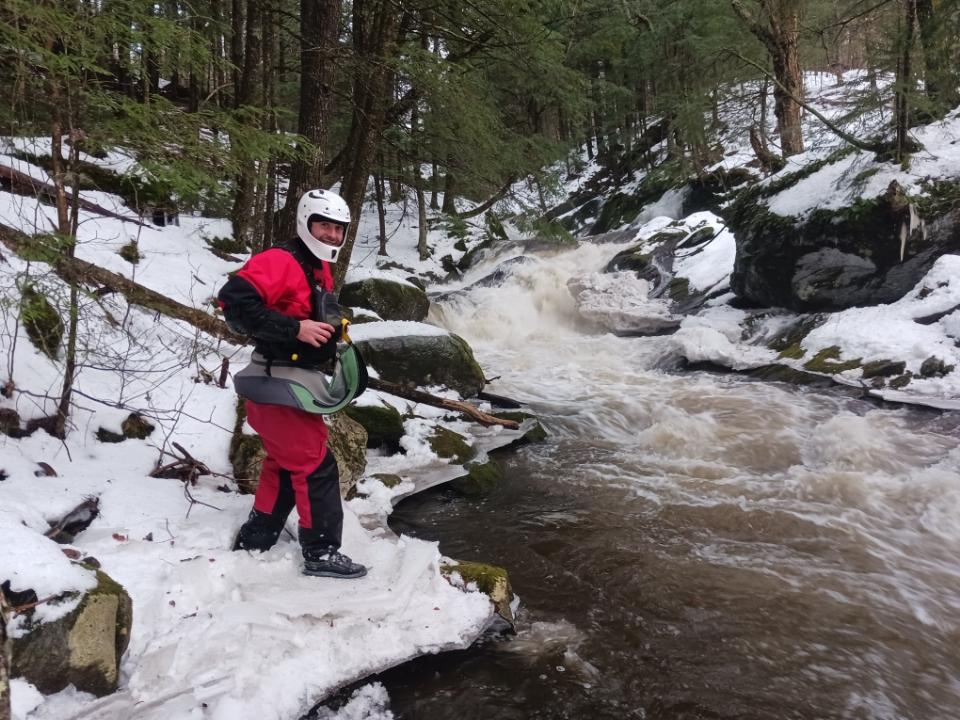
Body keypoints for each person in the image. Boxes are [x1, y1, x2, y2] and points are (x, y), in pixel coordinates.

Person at [217, 188, 367, 579]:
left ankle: (258, 535)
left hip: (287, 382)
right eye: (324, 226)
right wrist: (294, 328)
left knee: (285, 463)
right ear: (306, 223)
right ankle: (320, 551)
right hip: (278, 383)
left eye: (338, 229)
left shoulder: (316, 265)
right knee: (316, 466)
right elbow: (234, 303)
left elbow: (299, 307)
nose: (332, 235)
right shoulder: (282, 261)